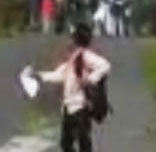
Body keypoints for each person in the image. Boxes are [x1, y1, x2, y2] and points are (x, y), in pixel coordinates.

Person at [31, 22, 111, 152]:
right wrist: (39, 76)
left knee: (83, 142)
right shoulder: (73, 58)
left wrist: (89, 80)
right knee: (66, 143)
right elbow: (59, 75)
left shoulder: (85, 56)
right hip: (69, 107)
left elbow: (105, 65)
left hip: (80, 106)